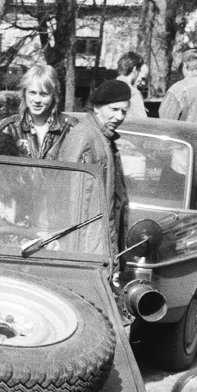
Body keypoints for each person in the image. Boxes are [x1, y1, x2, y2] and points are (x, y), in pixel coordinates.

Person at [58, 79, 132, 260]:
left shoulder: (103, 138)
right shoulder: (85, 138)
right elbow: (73, 201)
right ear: (97, 107)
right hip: (88, 248)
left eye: (123, 111)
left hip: (99, 243)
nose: (119, 117)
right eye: (114, 109)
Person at [0, 64, 74, 160]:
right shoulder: (6, 129)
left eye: (44, 94)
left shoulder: (71, 129)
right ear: (24, 93)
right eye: (32, 93)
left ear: (54, 96)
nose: (37, 100)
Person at [115, 51, 148, 120]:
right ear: (134, 69)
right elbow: (143, 121)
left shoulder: (108, 88)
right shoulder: (133, 93)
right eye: (143, 78)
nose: (143, 83)